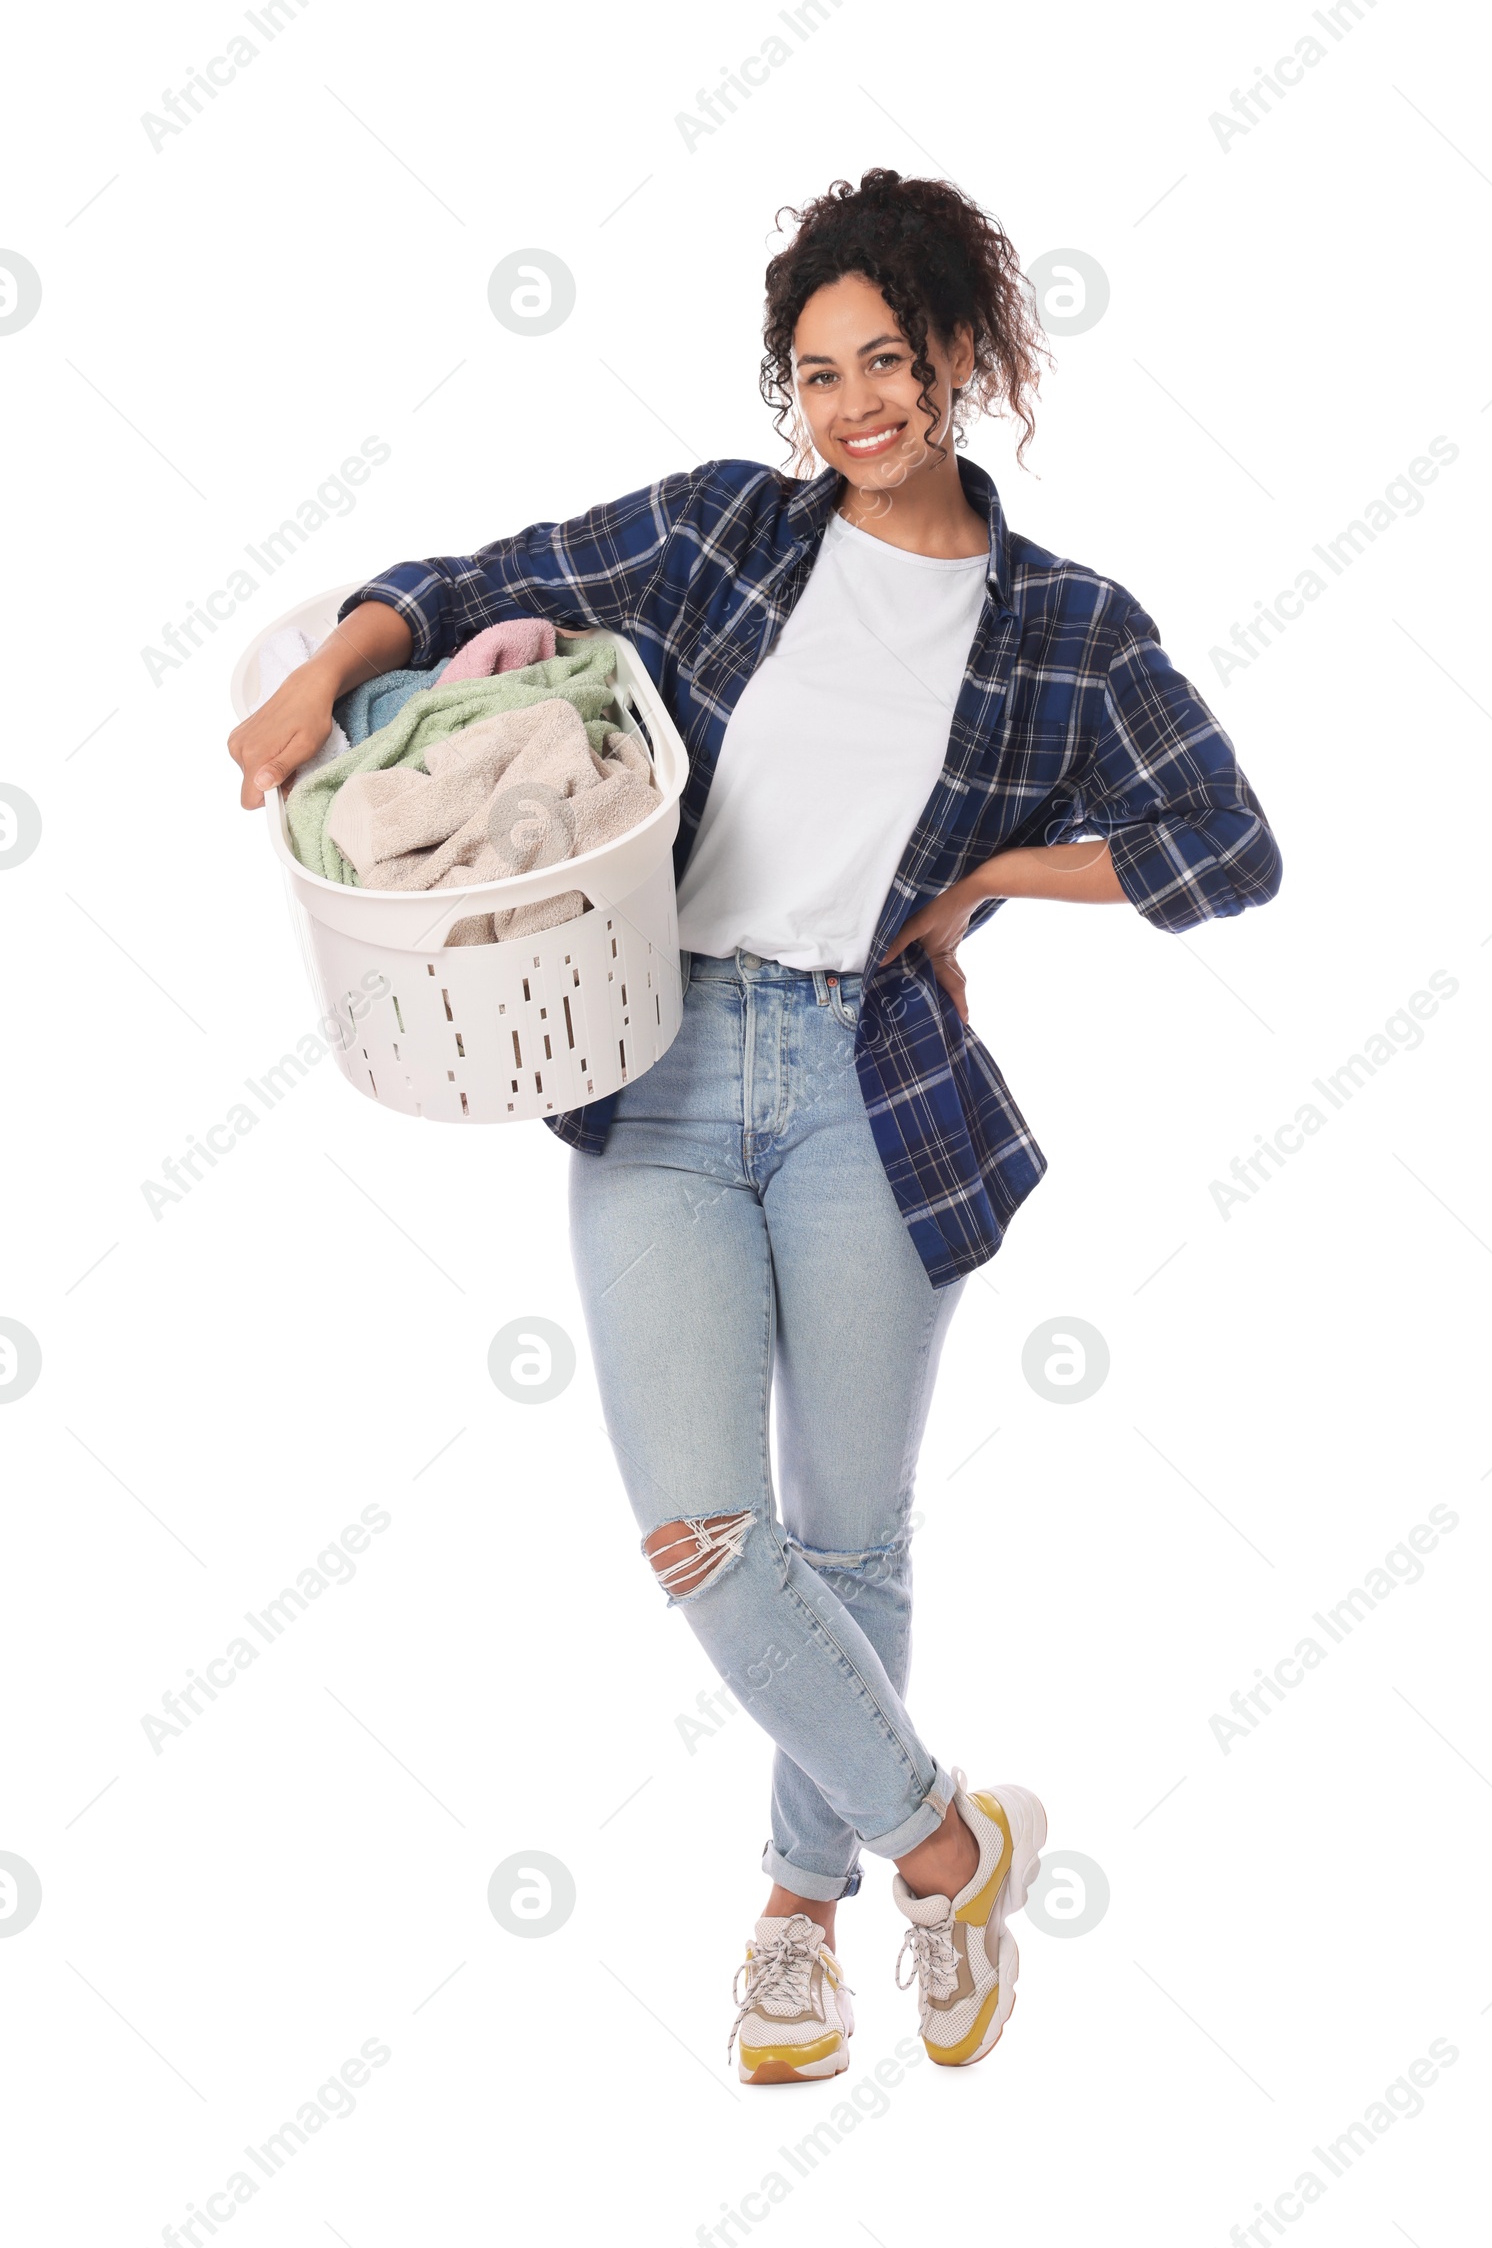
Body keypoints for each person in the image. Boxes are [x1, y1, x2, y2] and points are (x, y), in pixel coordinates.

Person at [228, 168, 1282, 2082]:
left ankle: (799, 1923)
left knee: (848, 1533)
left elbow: (1226, 846)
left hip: (874, 1084)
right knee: (705, 1533)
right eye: (820, 371)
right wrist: (323, 672)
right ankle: (954, 1856)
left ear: (963, 360)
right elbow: (481, 585)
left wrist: (986, 891)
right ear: (787, 394)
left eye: (891, 359)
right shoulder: (726, 532)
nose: (859, 403)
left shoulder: (1067, 627)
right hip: (660, 1064)